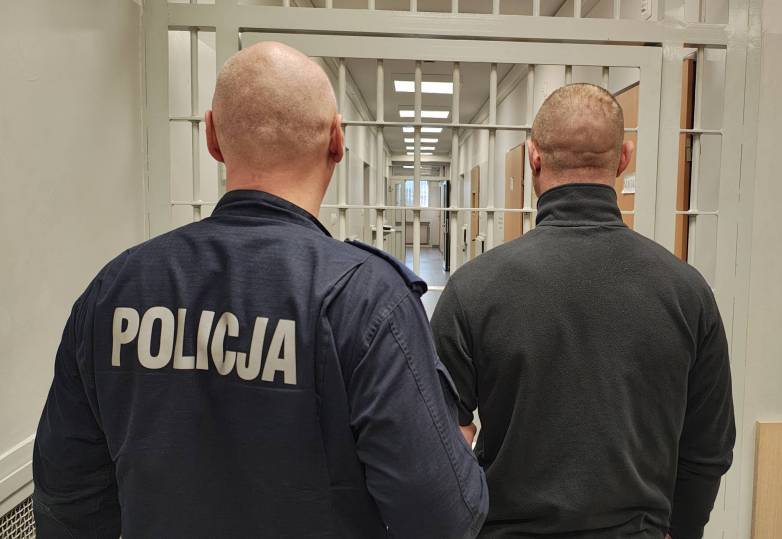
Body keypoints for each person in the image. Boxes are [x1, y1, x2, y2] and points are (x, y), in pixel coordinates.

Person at [32, 42, 487, 539]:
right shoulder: (367, 300)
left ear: (212, 136)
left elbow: (66, 502)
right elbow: (442, 518)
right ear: (337, 140)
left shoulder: (114, 290)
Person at [431, 83, 735, 539]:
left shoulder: (473, 288)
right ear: (624, 157)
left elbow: (438, 437)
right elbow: (708, 448)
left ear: (534, 157)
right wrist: (681, 529)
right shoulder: (686, 292)